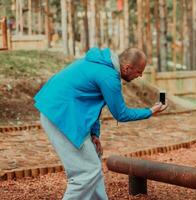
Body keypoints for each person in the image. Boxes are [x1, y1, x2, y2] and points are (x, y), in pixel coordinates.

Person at [34, 47, 168, 200]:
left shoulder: (102, 65)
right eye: (139, 71)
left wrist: (93, 134)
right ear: (127, 67)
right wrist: (150, 111)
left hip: (61, 111)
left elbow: (91, 104)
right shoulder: (108, 75)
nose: (140, 75)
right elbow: (121, 114)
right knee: (85, 174)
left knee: (93, 169)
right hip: (60, 115)